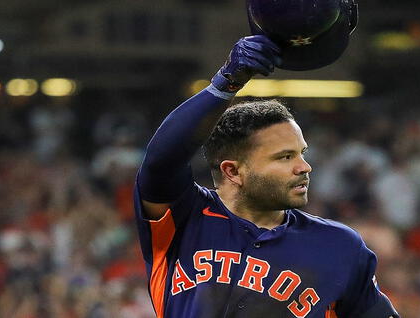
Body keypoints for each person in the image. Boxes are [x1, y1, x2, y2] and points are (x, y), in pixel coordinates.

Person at [134, 35, 400, 318]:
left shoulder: (339, 245)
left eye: (301, 153)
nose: (304, 167)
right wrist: (225, 83)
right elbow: (160, 161)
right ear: (233, 171)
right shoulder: (184, 218)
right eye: (285, 157)